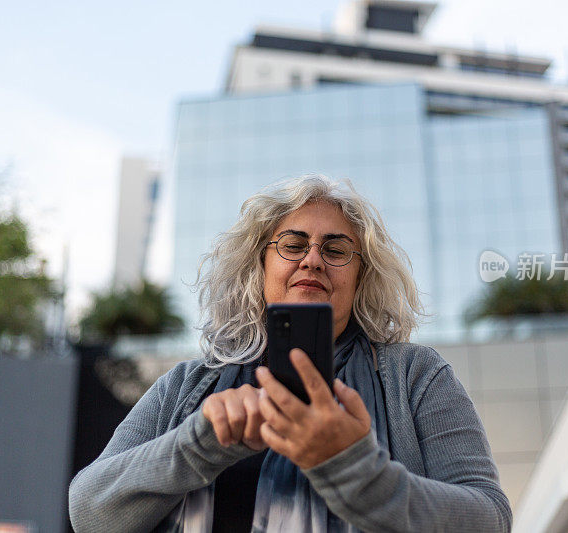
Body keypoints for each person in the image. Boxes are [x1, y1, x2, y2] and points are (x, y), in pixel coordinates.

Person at [68, 175, 512, 532]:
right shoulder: (188, 385)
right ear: (260, 266)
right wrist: (201, 442)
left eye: (336, 250)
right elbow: (89, 511)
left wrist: (352, 467)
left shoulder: (415, 376)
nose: (313, 260)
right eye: (293, 245)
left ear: (362, 277)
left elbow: (490, 518)